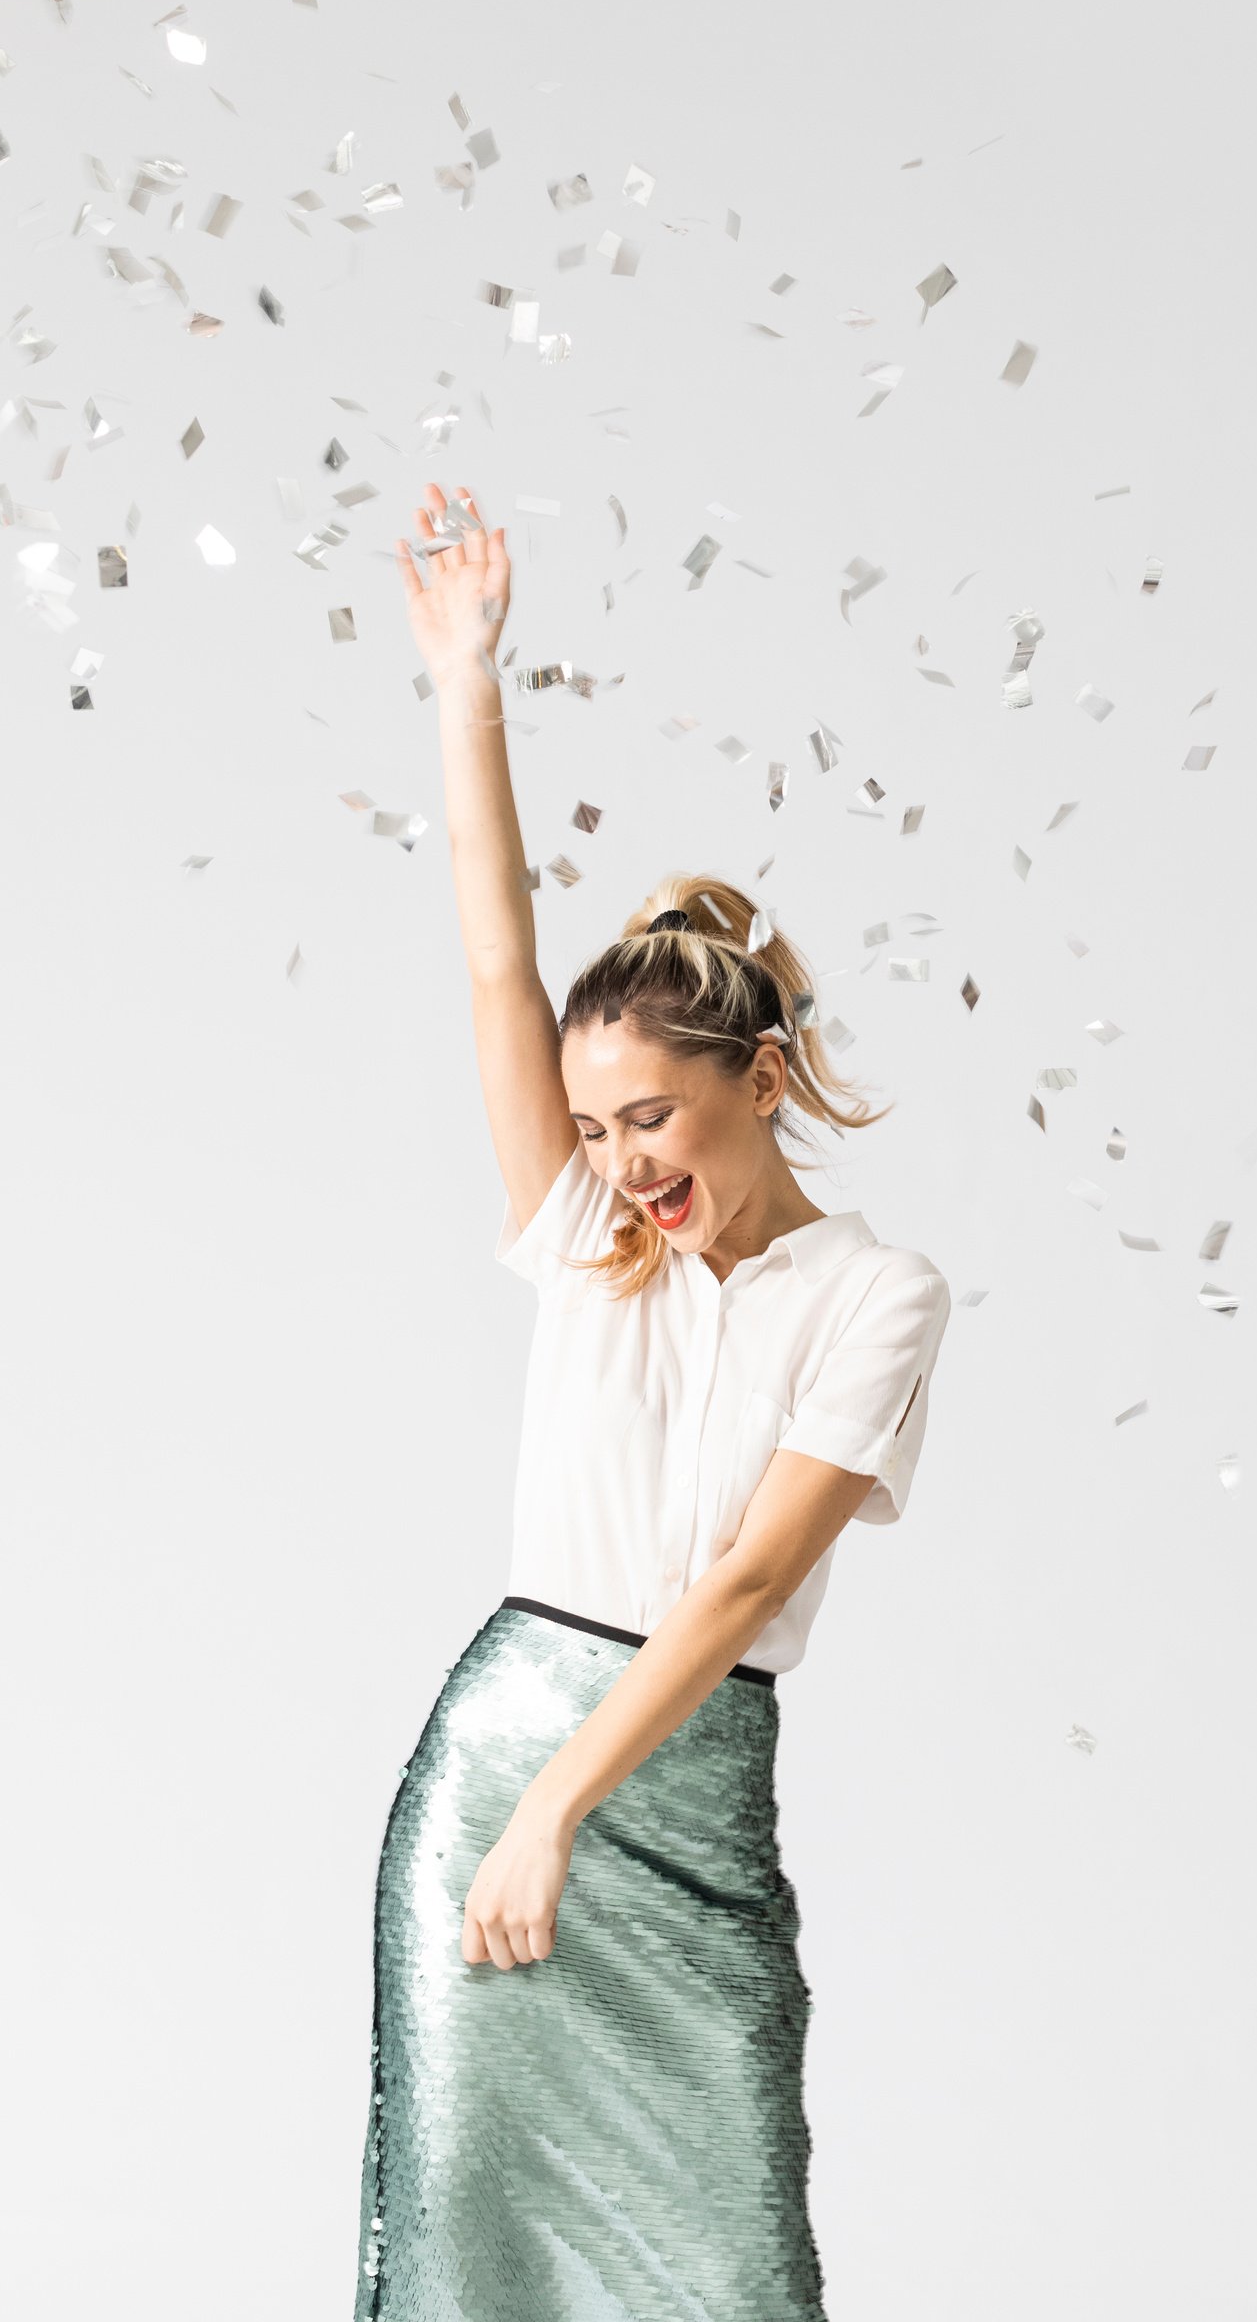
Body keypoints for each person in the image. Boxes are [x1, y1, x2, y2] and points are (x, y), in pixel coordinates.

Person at [354, 482, 954, 2320]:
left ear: (762, 1079)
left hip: (675, 1799)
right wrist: (467, 683)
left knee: (739, 2268)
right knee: (474, 2260)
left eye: (655, 1120)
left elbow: (742, 1592)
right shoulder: (590, 1246)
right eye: (595, 1125)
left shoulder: (877, 1296)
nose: (618, 1163)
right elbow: (490, 962)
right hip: (503, 1755)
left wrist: (566, 1811)